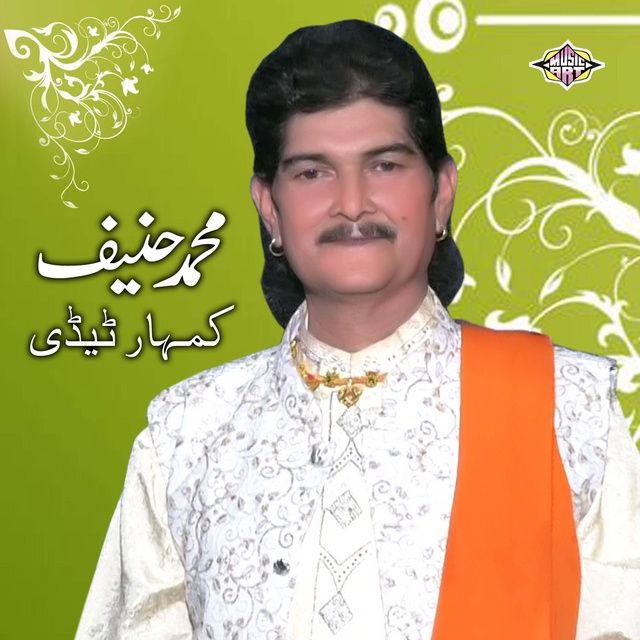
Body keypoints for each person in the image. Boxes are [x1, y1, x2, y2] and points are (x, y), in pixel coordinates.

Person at [75, 19, 640, 640]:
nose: (351, 204)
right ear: (269, 208)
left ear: (442, 194)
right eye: (312, 173)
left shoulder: (564, 409)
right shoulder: (187, 438)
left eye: (385, 165)